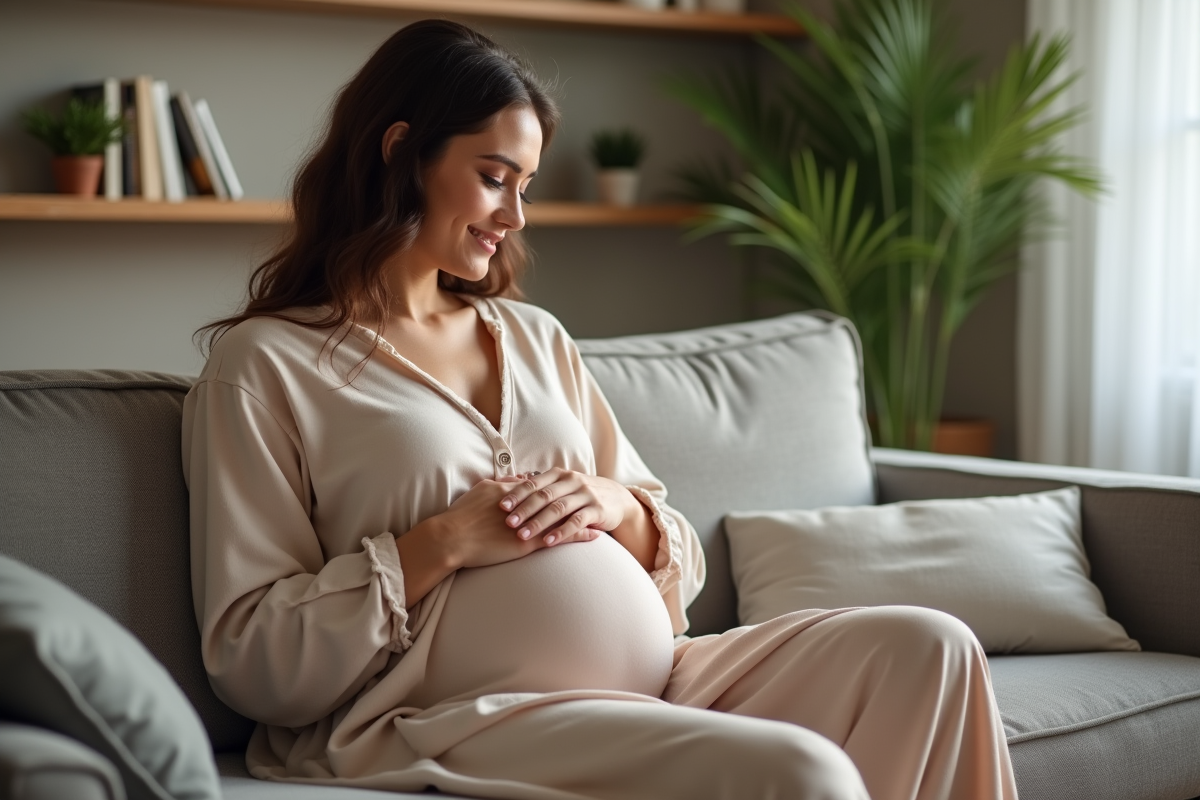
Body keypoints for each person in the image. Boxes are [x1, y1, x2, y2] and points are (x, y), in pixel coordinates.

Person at [183, 19, 1018, 800]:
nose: (513, 218)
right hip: (457, 716)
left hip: (655, 675)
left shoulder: (534, 336)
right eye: (492, 178)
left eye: (526, 187)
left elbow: (675, 560)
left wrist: (619, 506)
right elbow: (251, 657)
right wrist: (437, 545)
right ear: (400, 152)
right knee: (800, 772)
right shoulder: (267, 366)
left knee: (933, 647)